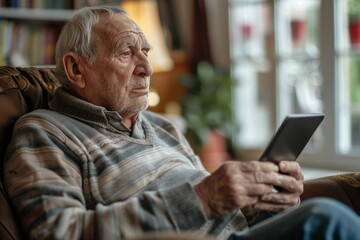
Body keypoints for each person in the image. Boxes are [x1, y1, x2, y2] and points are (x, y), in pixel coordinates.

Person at [3, 5, 360, 240]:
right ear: (76, 69)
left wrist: (268, 197)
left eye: (146, 52)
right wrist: (201, 199)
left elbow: (220, 212)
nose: (147, 67)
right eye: (126, 53)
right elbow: (57, 232)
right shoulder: (43, 131)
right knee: (325, 218)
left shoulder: (162, 126)